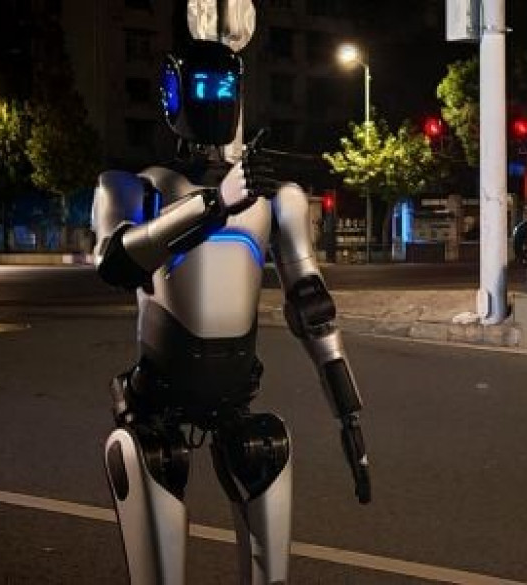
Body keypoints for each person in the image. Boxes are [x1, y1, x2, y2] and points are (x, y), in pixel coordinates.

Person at [91, 38, 370, 585]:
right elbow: (116, 263)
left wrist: (350, 418)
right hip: (157, 400)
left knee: (266, 457)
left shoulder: (275, 199)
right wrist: (214, 204)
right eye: (201, 86)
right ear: (173, 94)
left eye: (224, 88)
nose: (214, 99)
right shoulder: (135, 188)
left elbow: (313, 309)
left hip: (236, 398)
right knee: (154, 481)